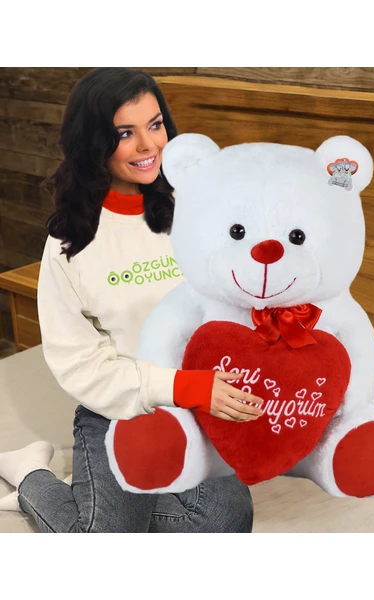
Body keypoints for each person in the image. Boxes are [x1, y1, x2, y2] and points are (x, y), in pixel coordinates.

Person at [0, 67, 264, 533]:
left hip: (199, 406)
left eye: (155, 125)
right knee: (104, 541)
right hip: (118, 409)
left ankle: (113, 497)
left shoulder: (197, 209)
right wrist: (181, 386)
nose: (148, 145)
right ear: (93, 143)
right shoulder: (69, 243)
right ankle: (31, 473)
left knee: (226, 519)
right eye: (125, 133)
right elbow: (80, 365)